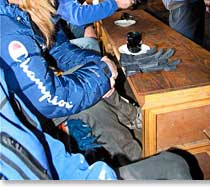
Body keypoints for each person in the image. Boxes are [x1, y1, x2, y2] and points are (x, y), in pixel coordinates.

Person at [0, 0, 141, 166]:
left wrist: (98, 65)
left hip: (37, 95)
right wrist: (100, 75)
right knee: (93, 105)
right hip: (25, 116)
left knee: (92, 73)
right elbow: (49, 100)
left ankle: (131, 127)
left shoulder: (21, 10)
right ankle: (134, 162)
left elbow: (59, 51)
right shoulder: (8, 29)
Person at [1, 66, 192, 181]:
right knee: (175, 163)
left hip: (40, 102)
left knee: (95, 72)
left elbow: (46, 152)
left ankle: (131, 118)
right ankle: (132, 150)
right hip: (42, 104)